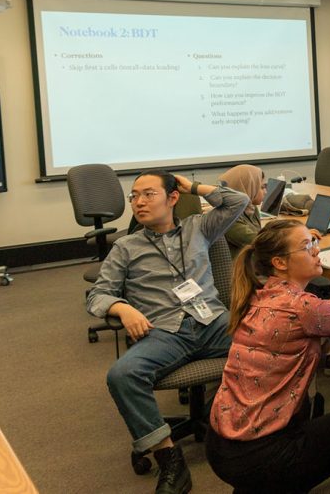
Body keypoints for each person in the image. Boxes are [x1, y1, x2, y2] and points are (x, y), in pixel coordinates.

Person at [87, 170, 248, 494]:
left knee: (271, 345)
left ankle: (258, 431)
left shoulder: (199, 228)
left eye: (149, 194)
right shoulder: (126, 247)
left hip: (213, 322)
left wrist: (191, 186)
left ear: (173, 198)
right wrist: (122, 308)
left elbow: (238, 201)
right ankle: (170, 459)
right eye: (134, 196)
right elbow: (97, 295)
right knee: (122, 374)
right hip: (164, 332)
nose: (139, 202)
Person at [205, 219, 330, 493]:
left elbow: (325, 310)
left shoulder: (264, 295)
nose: (316, 250)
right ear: (280, 262)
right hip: (260, 456)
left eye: (314, 243)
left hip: (222, 445)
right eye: (307, 246)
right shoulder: (303, 308)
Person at [218, 164, 265, 258]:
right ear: (249, 186)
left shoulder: (251, 208)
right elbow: (260, 242)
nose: (265, 192)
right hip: (242, 270)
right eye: (262, 187)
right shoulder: (228, 216)